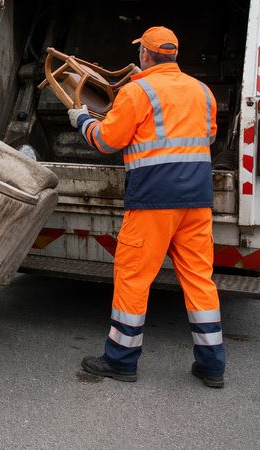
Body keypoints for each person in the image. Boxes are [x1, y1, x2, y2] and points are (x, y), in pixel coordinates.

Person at [68, 26, 226, 388]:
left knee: (133, 278)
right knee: (199, 280)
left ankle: (121, 360)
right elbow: (209, 136)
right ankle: (212, 365)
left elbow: (107, 140)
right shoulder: (203, 92)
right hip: (196, 201)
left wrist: (82, 121)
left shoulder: (136, 91)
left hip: (153, 200)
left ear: (145, 55)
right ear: (174, 54)